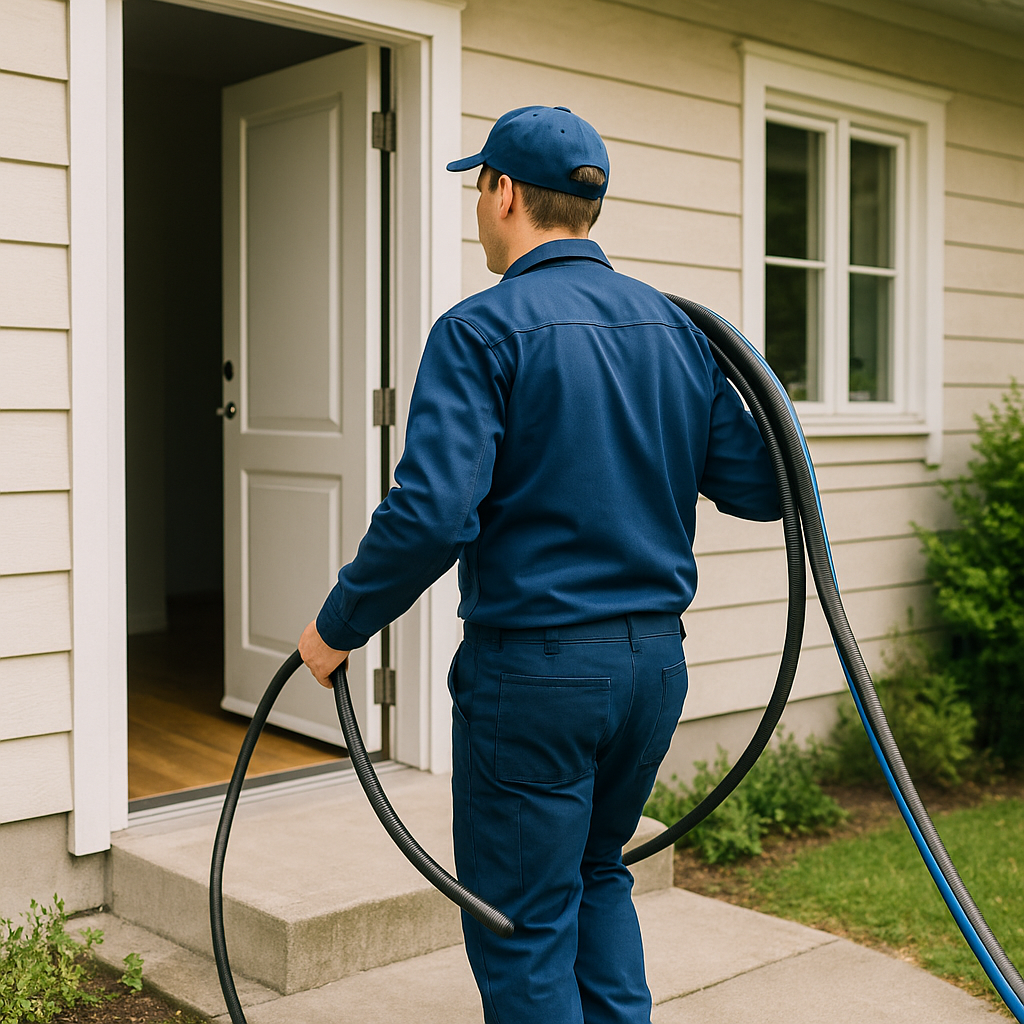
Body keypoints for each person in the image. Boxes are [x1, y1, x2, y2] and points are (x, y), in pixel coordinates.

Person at [299, 105, 780, 1024]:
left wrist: (337, 627)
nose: (478, 208)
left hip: (538, 676)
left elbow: (435, 513)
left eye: (479, 187)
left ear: (505, 191)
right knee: (598, 874)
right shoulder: (676, 332)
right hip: (654, 668)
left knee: (523, 919)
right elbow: (764, 486)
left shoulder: (480, 330)